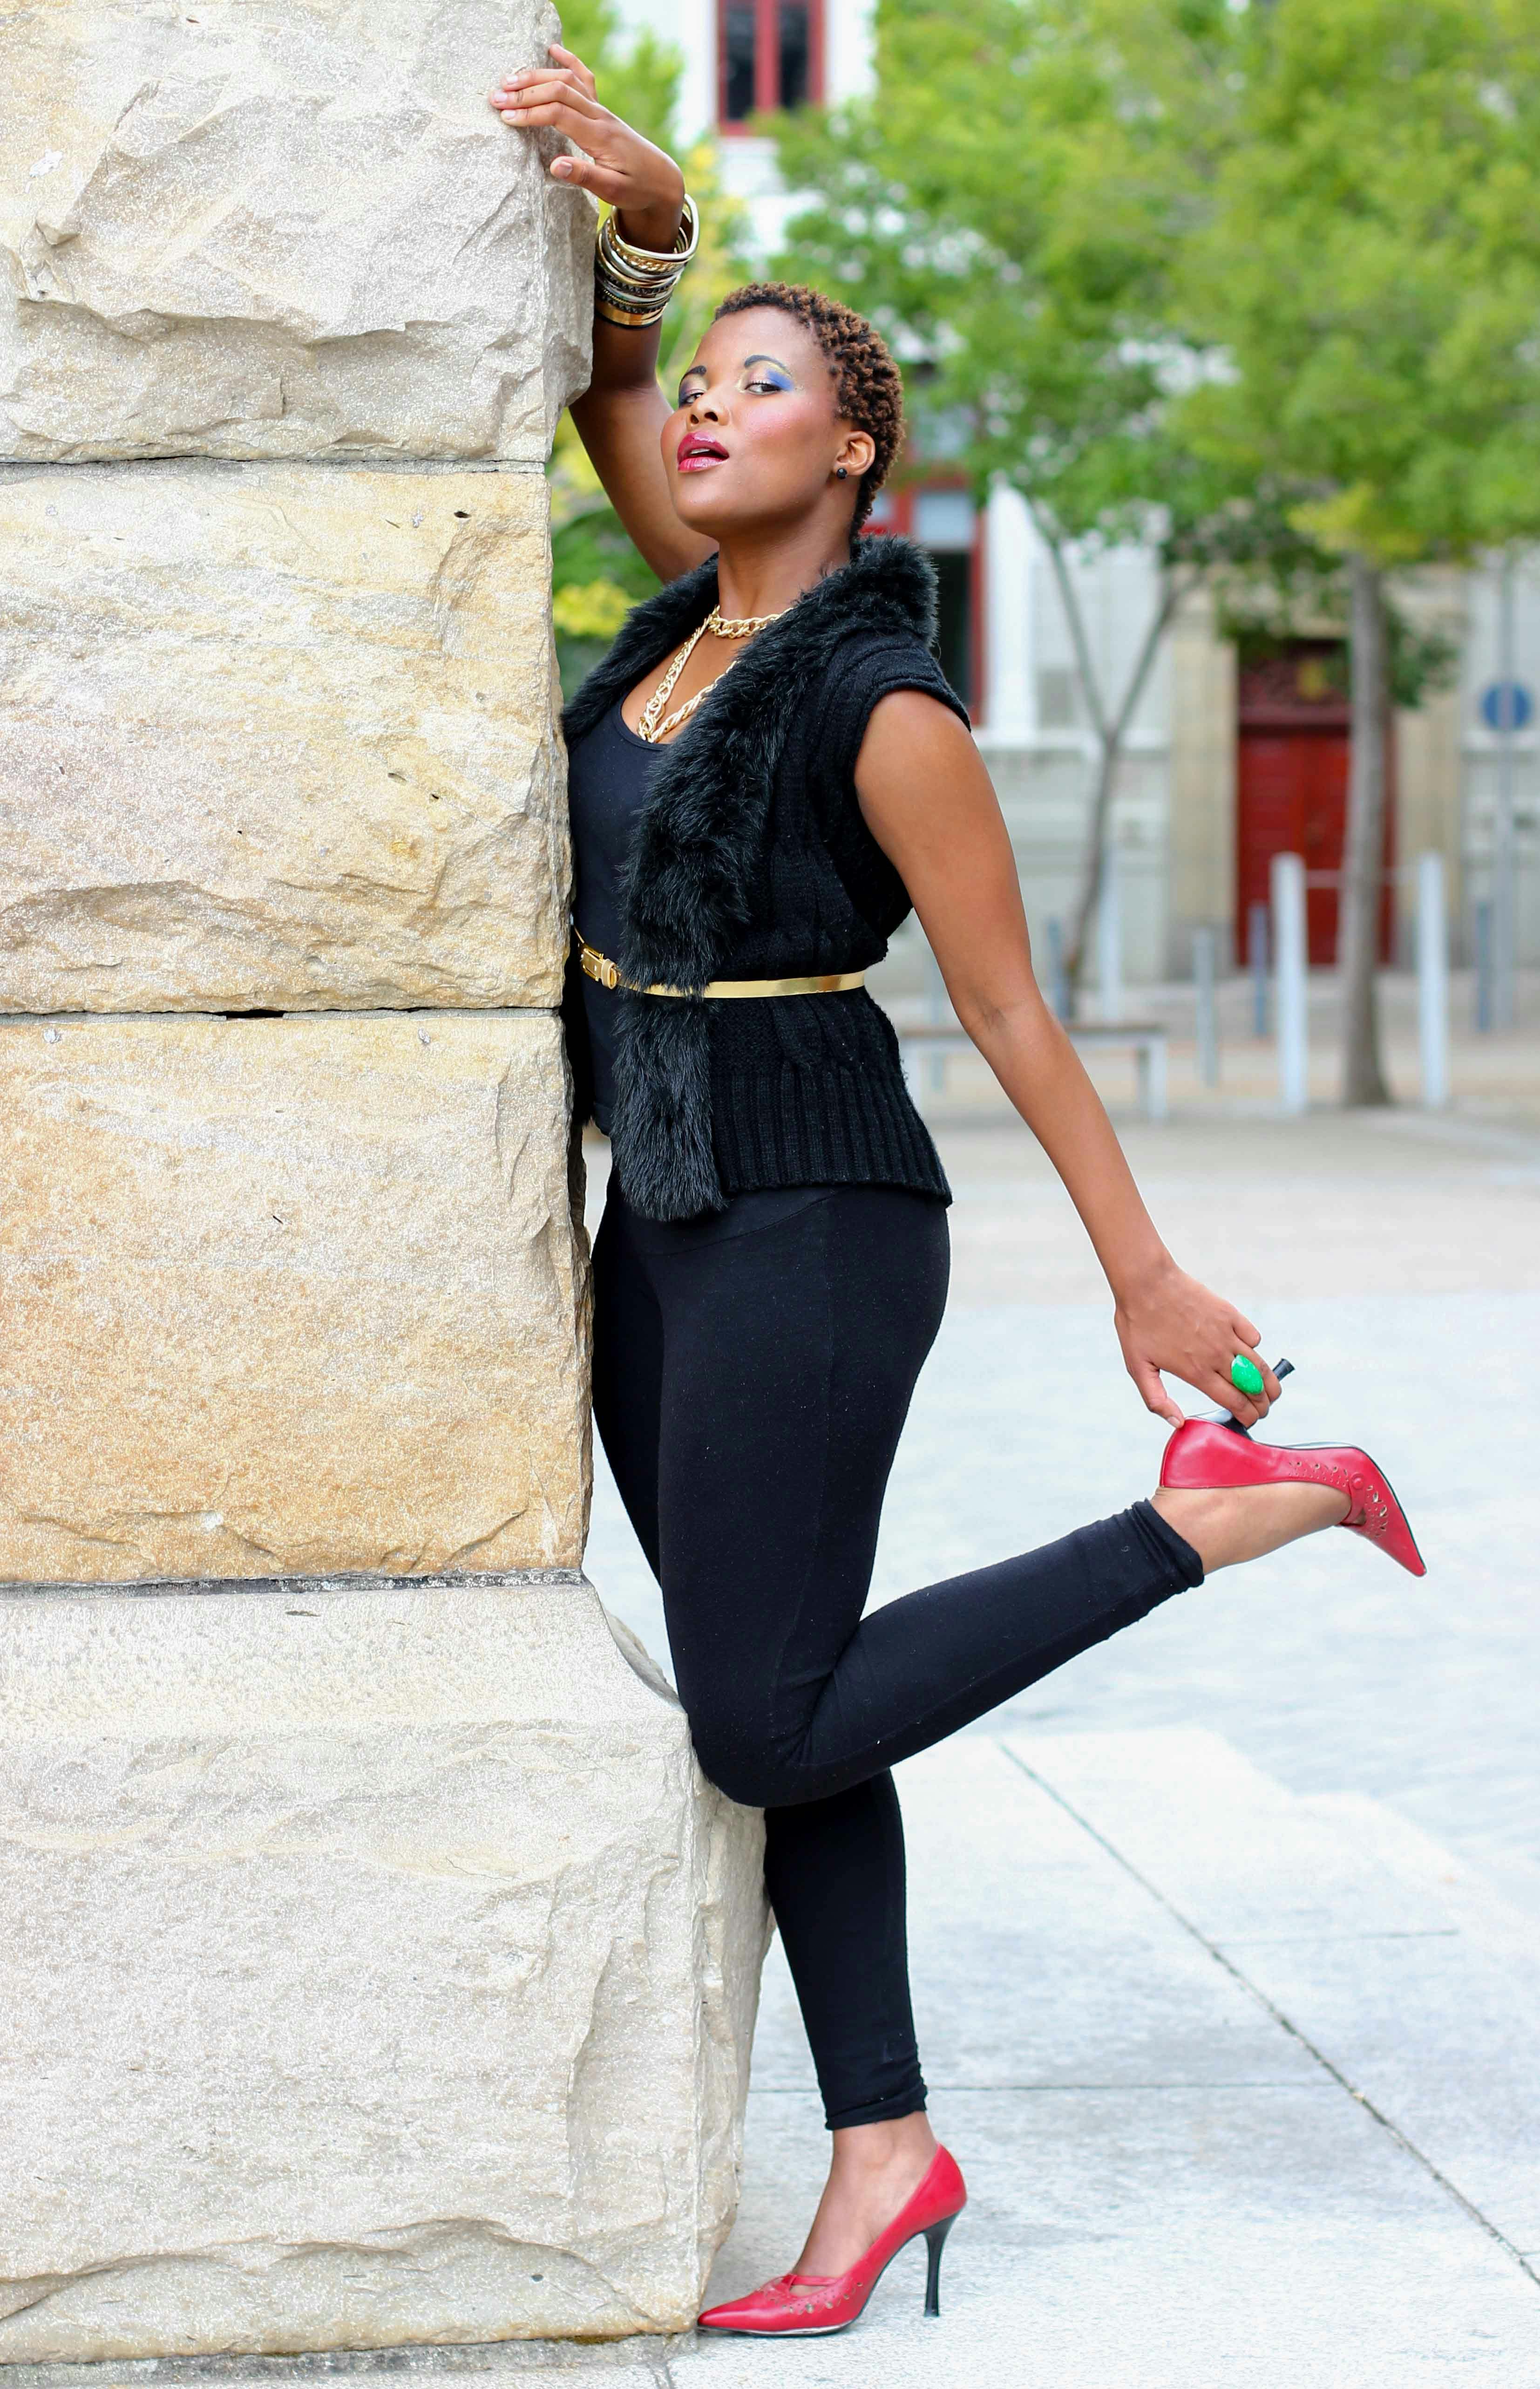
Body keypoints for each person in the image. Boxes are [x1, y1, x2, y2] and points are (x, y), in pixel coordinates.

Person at [487, 52, 1426, 2341]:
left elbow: (1006, 1014)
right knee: (790, 1690)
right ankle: (886, 2151)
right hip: (664, 1215)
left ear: (857, 453)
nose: (706, 412)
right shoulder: (680, 614)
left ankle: (1217, 1511)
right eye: (705, 389)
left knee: (760, 1717)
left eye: (762, 388)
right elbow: (608, 392)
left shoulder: (886, 701)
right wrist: (649, 239)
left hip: (818, 1208)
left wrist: (1145, 1271)